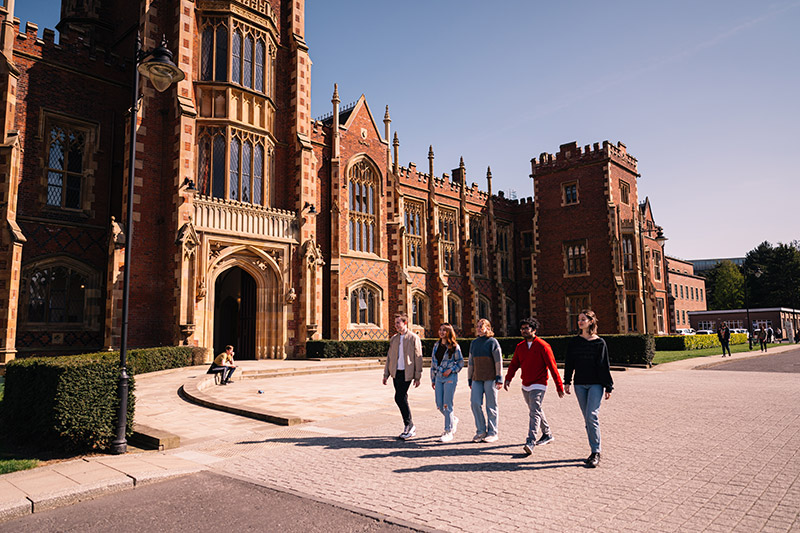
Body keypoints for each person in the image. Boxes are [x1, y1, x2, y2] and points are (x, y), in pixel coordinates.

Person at [504, 317, 564, 456]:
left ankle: (530, 441)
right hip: (526, 383)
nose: (524, 330)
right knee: (535, 410)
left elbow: (552, 366)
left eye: (527, 328)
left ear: (534, 330)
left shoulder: (543, 345)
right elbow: (514, 364)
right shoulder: (520, 347)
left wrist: (559, 386)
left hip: (539, 383)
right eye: (522, 328)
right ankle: (547, 433)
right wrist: (508, 378)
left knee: (534, 411)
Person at [563, 310, 613, 468]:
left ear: (591, 321)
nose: (580, 322)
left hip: (596, 384)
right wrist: (567, 381)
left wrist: (608, 386)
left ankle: (596, 451)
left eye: (583, 319)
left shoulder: (600, 343)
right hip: (579, 384)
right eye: (579, 320)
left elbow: (604, 366)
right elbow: (569, 362)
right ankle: (593, 448)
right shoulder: (574, 342)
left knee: (592, 416)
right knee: (587, 419)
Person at [383, 314, 423, 440]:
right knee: (402, 397)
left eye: (398, 323)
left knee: (399, 397)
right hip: (396, 372)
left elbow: (418, 357)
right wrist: (386, 375)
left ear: (405, 323)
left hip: (407, 372)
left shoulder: (413, 338)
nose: (396, 325)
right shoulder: (394, 339)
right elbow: (389, 358)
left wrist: (417, 376)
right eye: (395, 323)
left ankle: (409, 425)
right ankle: (409, 425)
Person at [468, 318, 503, 443]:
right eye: (477, 326)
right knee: (475, 403)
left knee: (491, 406)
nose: (478, 329)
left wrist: (499, 378)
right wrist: (469, 378)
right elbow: (471, 362)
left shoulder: (493, 342)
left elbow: (498, 361)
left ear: (487, 328)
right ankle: (481, 431)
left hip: (491, 378)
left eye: (481, 326)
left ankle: (493, 432)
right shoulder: (474, 343)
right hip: (477, 378)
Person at [430, 323, 464, 442]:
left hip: (450, 378)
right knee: (439, 404)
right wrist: (433, 379)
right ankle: (452, 420)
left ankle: (448, 431)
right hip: (439, 377)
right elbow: (433, 363)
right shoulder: (436, 345)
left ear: (449, 332)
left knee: (447, 404)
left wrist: (451, 369)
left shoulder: (454, 346)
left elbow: (460, 363)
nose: (441, 332)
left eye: (444, 330)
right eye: (440, 330)